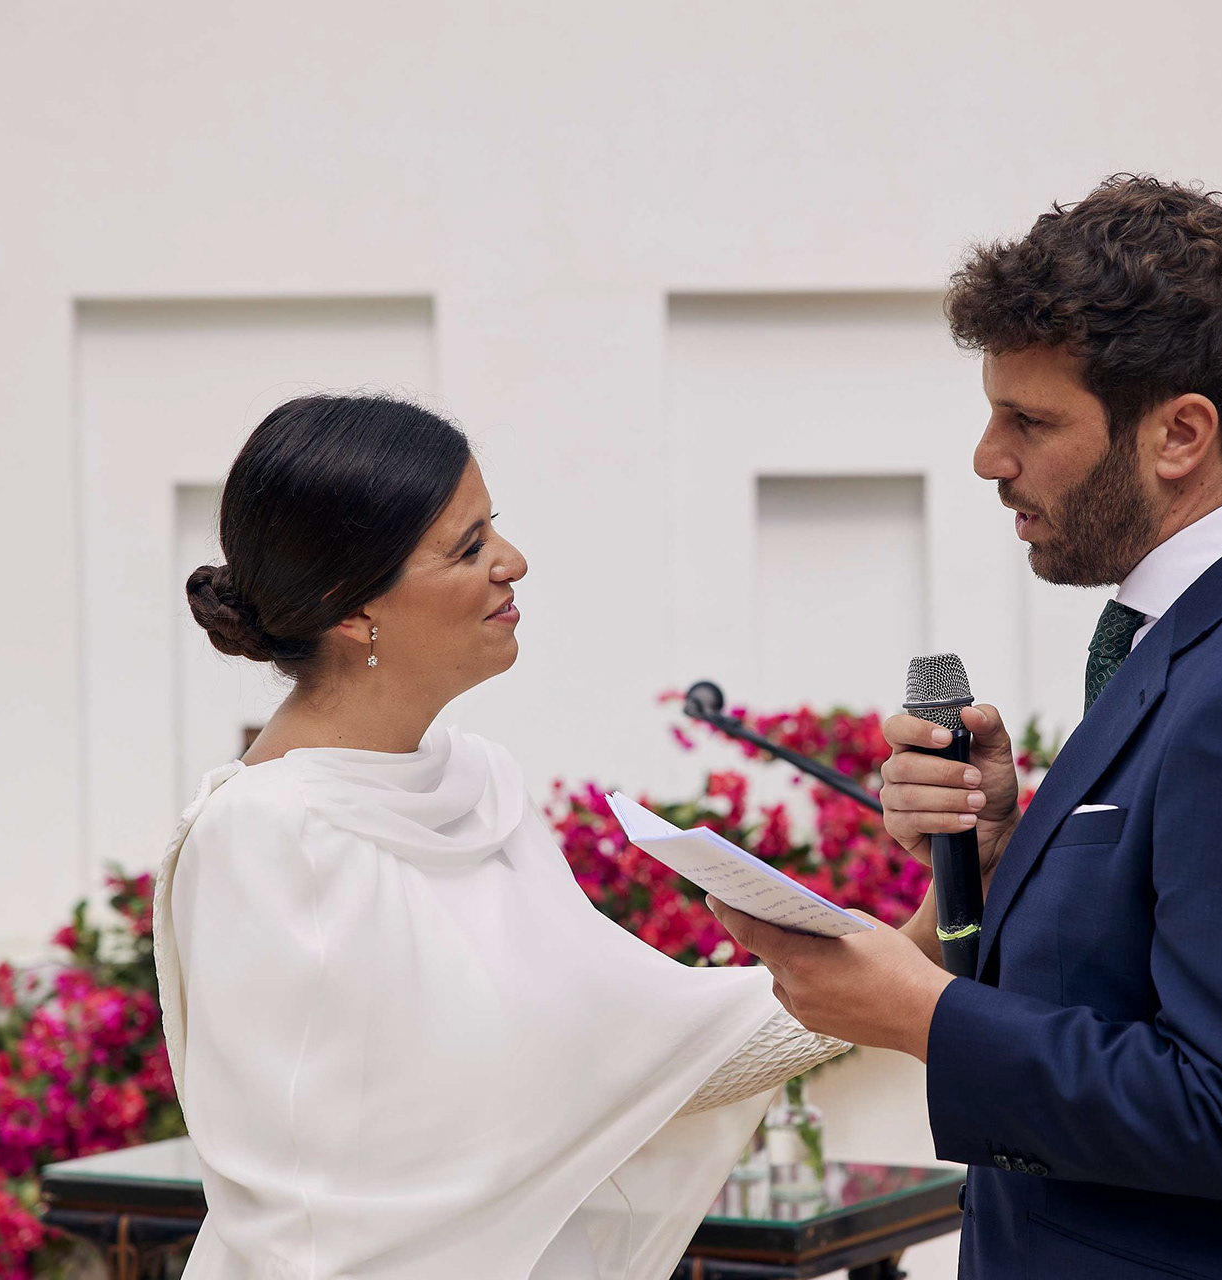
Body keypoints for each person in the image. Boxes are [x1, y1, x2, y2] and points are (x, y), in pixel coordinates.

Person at [706, 175, 1222, 1278]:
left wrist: (925, 1016)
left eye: (1031, 421)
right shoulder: (1213, 635)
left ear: (1180, 433)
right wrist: (1009, 853)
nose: (987, 457)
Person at [155, 394, 846, 1280]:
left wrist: (923, 946)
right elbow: (302, 1203)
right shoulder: (265, 835)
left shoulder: (480, 786)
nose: (513, 563)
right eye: (468, 546)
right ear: (349, 606)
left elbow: (645, 1047)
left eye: (495, 529)